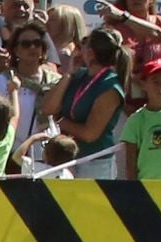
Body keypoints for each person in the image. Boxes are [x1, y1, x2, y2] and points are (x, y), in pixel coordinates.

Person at [39, 28, 129, 180]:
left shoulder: (110, 86)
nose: (78, 50)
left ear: (91, 52)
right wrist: (68, 74)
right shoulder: (79, 75)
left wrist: (61, 120)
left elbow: (89, 134)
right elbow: (48, 108)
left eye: (84, 45)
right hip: (65, 159)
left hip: (94, 162)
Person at [0, 20, 62, 167]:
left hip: (48, 156)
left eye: (37, 43)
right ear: (15, 50)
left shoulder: (56, 82)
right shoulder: (2, 82)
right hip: (14, 155)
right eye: (26, 44)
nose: (32, 47)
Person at [98, 0, 161, 88]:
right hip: (124, 91)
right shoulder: (114, 29)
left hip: (159, 91)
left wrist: (124, 17)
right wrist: (136, 81)